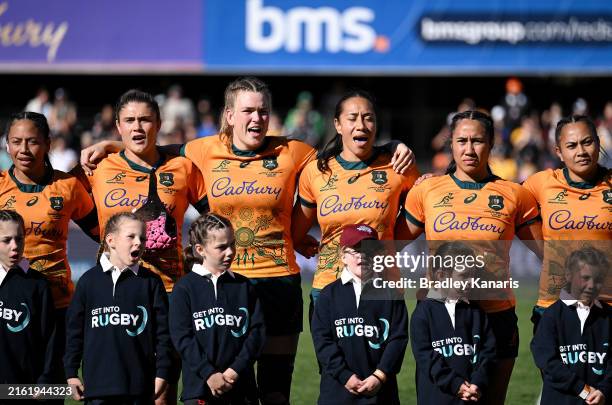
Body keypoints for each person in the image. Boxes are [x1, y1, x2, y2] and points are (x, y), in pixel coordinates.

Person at [80, 77, 414, 405]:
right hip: (225, 284)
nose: (257, 118)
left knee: (275, 390)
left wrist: (392, 147)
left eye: (263, 111)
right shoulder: (201, 150)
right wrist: (110, 145)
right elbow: (151, 149)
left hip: (279, 282)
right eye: (248, 111)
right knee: (223, 387)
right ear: (229, 116)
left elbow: (347, 153)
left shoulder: (295, 152)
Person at [396, 110, 543, 405]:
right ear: (450, 144)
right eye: (461, 140)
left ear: (491, 145)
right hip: (440, 314)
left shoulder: (515, 194)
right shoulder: (428, 189)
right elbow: (388, 245)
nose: (469, 148)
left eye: (477, 141)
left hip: (495, 313)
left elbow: (550, 253)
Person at [72, 89, 208, 404]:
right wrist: (107, 239)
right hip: (113, 292)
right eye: (129, 120)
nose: (137, 127)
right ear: (117, 126)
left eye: (145, 119)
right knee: (113, 387)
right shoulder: (97, 168)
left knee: (161, 390)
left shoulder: (182, 169)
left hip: (170, 292)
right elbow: (71, 207)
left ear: (158, 123)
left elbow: (213, 219)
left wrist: (196, 255)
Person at [291, 90, 420, 314]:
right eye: (352, 118)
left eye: (368, 117)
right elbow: (295, 231)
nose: (361, 125)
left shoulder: (399, 166)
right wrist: (300, 241)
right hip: (328, 288)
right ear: (338, 125)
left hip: (383, 289)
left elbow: (423, 211)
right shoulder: (316, 171)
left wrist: (387, 243)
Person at [0, 111, 98, 385]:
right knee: (10, 388)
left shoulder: (67, 186)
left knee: (50, 388)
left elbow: (102, 235)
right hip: (8, 306)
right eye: (16, 141)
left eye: (32, 141)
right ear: (7, 145)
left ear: (48, 143)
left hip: (58, 306)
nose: (23, 149)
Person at [64, 212, 172, 404]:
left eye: (143, 238)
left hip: (139, 389)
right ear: (111, 240)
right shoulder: (88, 282)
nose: (139, 242)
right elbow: (74, 333)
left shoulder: (151, 283)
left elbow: (163, 336)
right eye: (131, 236)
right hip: (97, 389)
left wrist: (162, 373)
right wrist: (71, 372)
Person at [523, 115, 612, 332]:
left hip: (607, 305)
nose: (580, 151)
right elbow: (500, 200)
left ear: (598, 143)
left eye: (587, 142)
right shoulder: (541, 183)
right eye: (571, 145)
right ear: (559, 152)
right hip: (553, 304)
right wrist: (438, 182)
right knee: (555, 367)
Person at [170, 213, 265, 404]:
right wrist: (209, 374)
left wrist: (235, 371)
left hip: (241, 387)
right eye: (221, 247)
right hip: (199, 390)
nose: (230, 252)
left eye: (232, 244)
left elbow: (257, 334)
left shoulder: (244, 286)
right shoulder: (184, 288)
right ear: (200, 249)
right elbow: (182, 338)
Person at [311, 224, 409, 405]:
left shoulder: (392, 295)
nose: (363, 255)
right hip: (337, 393)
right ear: (343, 255)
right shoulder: (328, 295)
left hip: (381, 393)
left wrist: (380, 375)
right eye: (356, 250)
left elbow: (398, 339)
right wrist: (344, 375)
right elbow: (322, 341)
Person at [410, 242, 496, 405]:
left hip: (472, 396)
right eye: (464, 276)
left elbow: (488, 353)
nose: (471, 281)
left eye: (472, 275)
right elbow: (425, 357)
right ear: (441, 275)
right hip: (436, 399)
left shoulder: (477, 313)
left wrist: (478, 382)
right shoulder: (423, 313)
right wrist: (455, 384)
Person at [531, 246, 611, 405]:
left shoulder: (608, 317)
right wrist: (583, 389)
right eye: (585, 277)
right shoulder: (551, 316)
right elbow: (547, 361)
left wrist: (604, 390)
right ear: (568, 275)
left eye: (598, 279)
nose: (591, 285)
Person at [0, 210, 58, 389]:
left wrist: (45, 380)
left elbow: (49, 339)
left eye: (19, 239)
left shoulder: (38, 284)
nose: (15, 246)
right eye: (6, 240)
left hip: (22, 389)